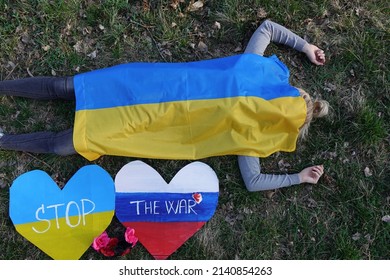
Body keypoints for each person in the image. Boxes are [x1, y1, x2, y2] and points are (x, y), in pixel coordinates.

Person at [0, 20, 328, 192]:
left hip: (139, 120)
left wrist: (305, 46)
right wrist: (296, 178)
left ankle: (3, 139)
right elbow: (268, 28)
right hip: (142, 88)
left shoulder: (251, 134)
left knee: (64, 123)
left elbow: (268, 28)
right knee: (64, 100)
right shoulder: (253, 76)